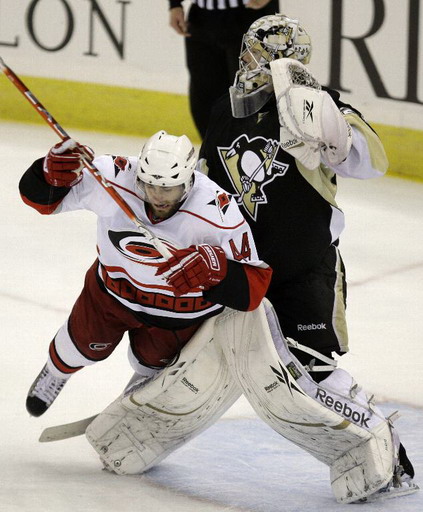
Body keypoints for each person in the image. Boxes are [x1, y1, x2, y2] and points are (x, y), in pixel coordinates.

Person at [198, 13, 417, 499]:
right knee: (177, 338)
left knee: (315, 371)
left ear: (281, 59)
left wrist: (326, 126)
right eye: (244, 50)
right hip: (240, 269)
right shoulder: (223, 110)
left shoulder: (321, 106)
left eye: (255, 53)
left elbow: (369, 161)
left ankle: (387, 447)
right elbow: (204, 180)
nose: (243, 61)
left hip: (302, 271)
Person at [19, 130, 272, 417]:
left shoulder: (218, 211)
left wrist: (219, 269)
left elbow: (254, 288)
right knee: (81, 345)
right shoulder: (113, 177)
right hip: (113, 294)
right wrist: (47, 176)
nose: (157, 197)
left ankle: (137, 400)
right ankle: (56, 372)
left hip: (177, 314)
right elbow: (45, 203)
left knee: (153, 365)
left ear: (189, 181)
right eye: (149, 185)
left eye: (169, 189)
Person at [169, 0, 279, 139]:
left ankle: (254, 156)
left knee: (253, 97)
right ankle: (212, 157)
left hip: (250, 15)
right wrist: (174, 4)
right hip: (201, 18)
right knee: (205, 99)